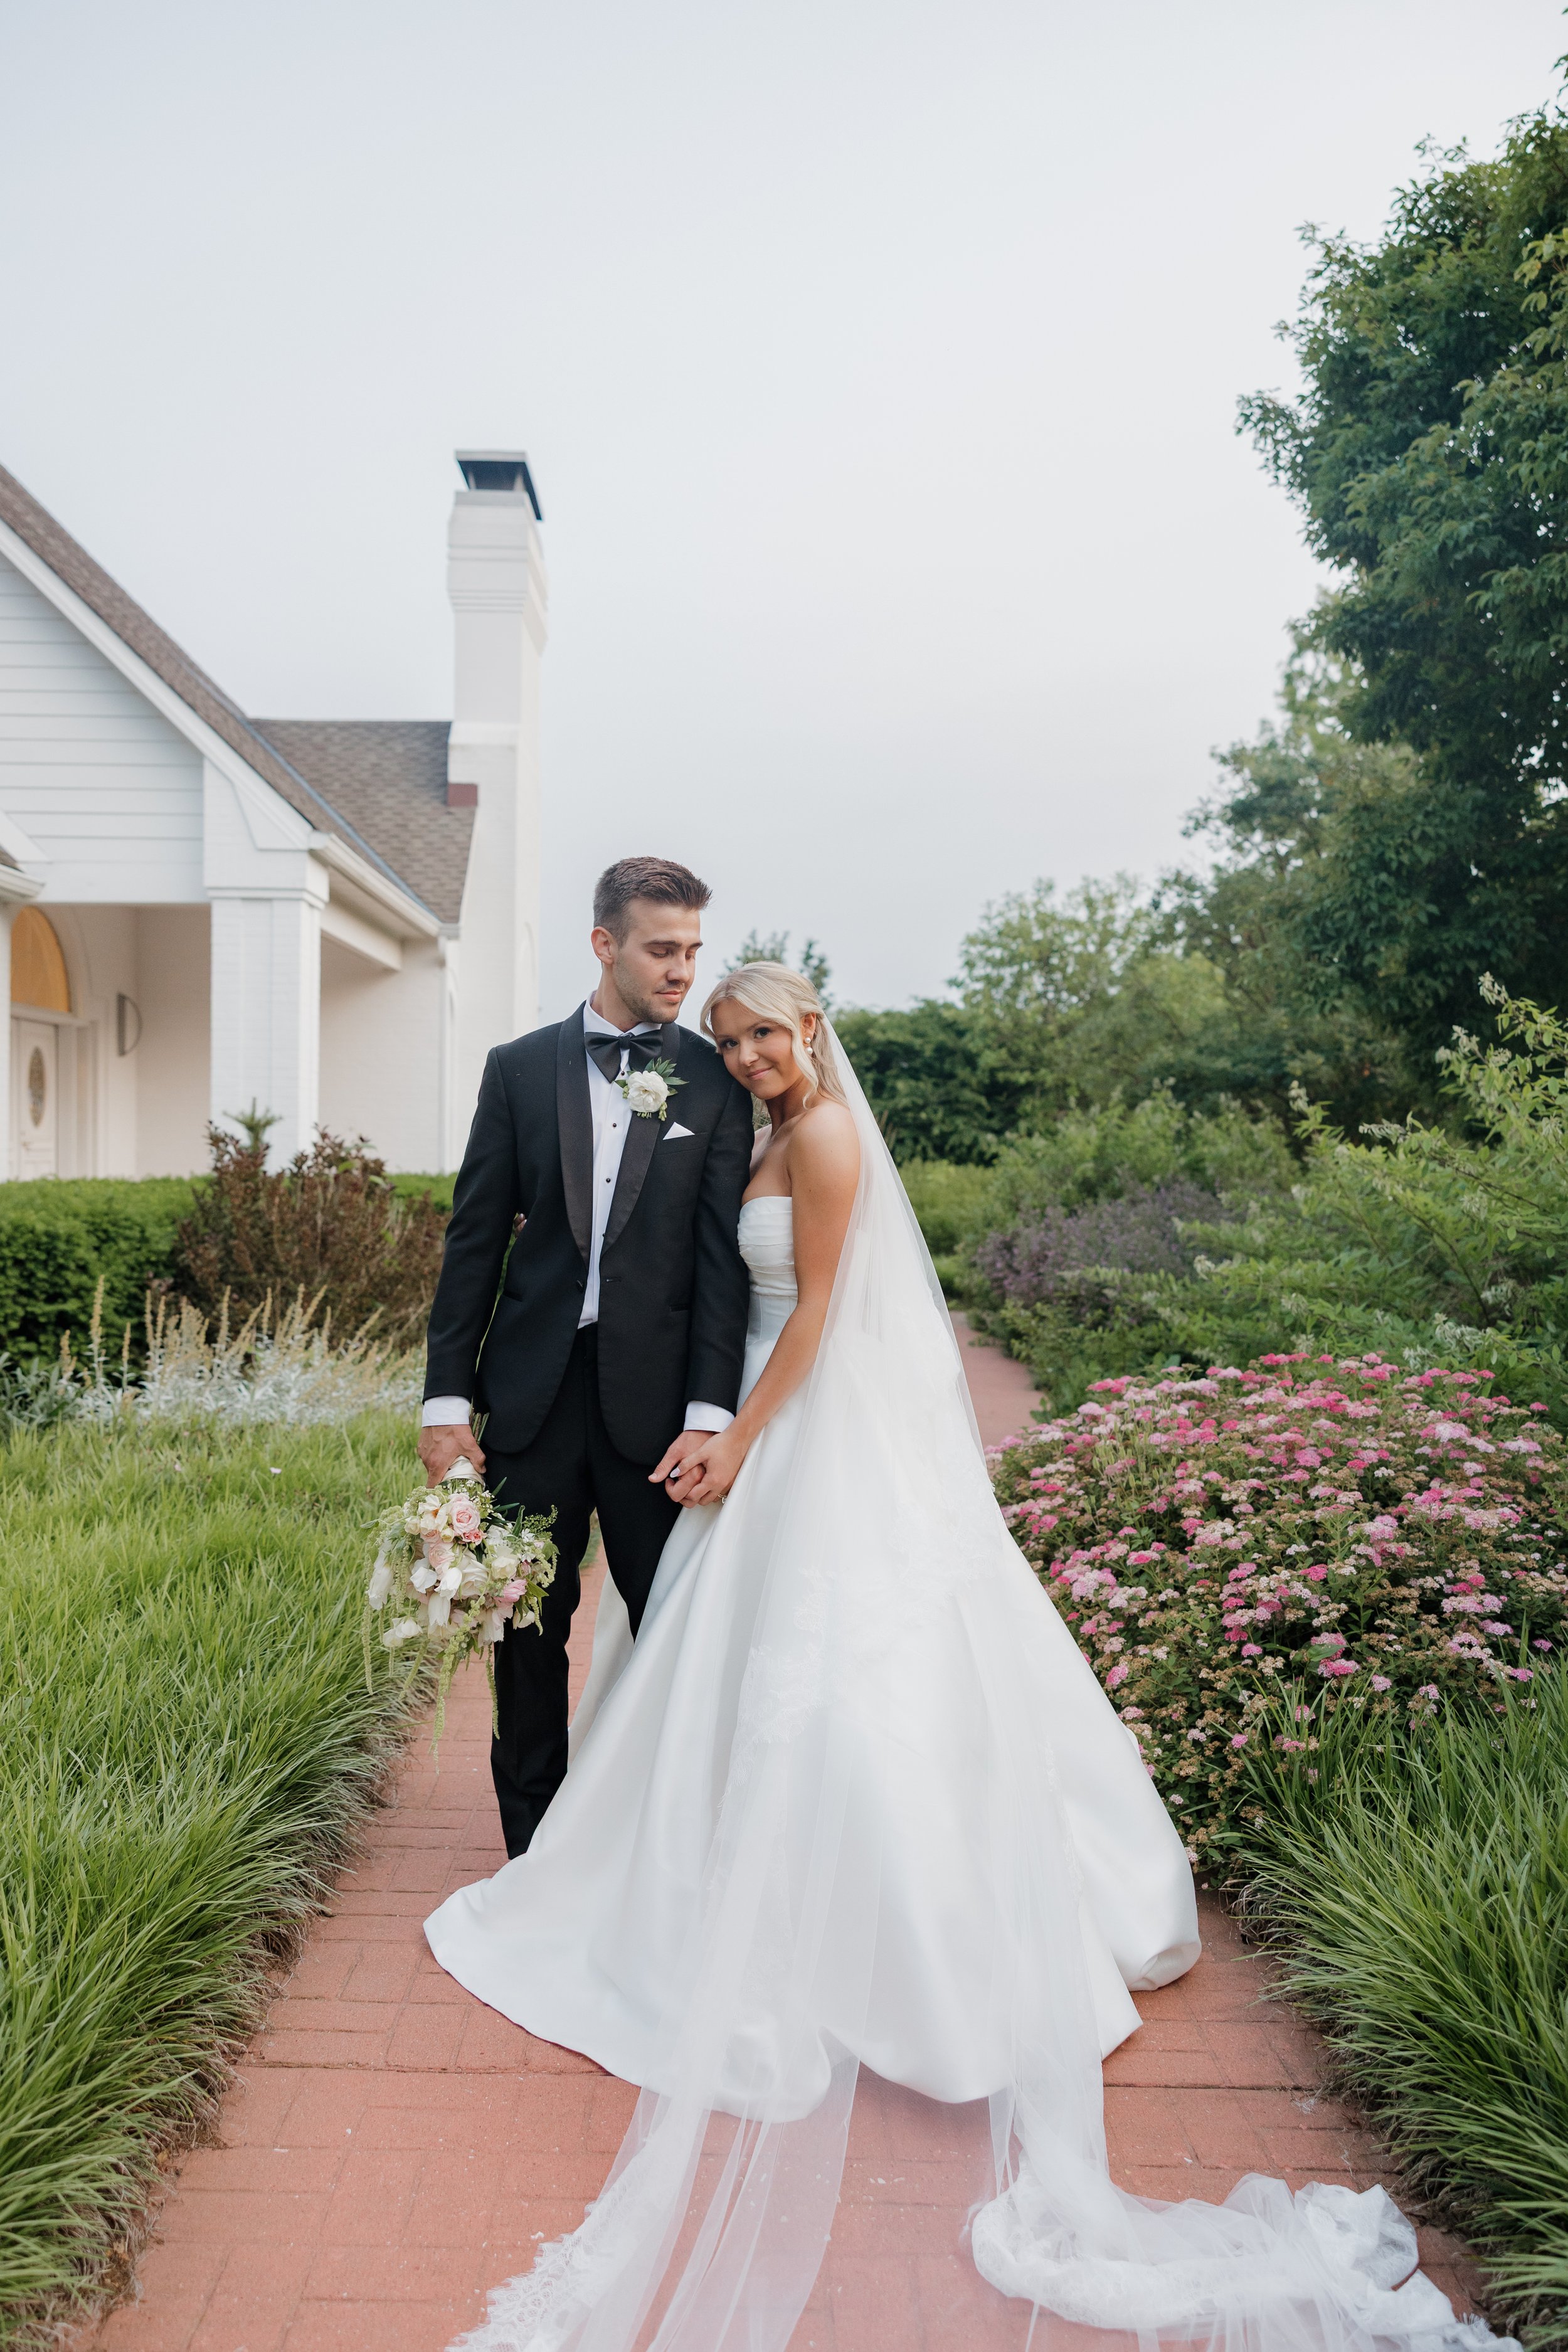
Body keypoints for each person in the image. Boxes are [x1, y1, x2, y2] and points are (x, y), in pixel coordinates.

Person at [425, 963, 1508, 2352]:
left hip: (806, 1427)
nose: (747, 1052)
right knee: (738, 1667)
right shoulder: (751, 1125)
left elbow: (810, 1312)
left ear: (811, 1028)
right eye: (729, 1037)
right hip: (763, 1419)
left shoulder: (818, 1136)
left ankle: (882, 1927)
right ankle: (735, 1868)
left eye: (765, 1031)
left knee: (847, 1674)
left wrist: (735, 1440)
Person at [418, 855, 753, 1858]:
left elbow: (722, 1267)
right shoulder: (518, 1068)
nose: (683, 970)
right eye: (662, 948)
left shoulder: (716, 1080)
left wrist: (711, 1414)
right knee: (525, 1633)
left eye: (693, 949)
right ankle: (536, 1854)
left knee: (676, 1635)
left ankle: (675, 1849)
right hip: (529, 1401)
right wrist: (444, 1402)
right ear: (605, 943)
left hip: (659, 1417)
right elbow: (474, 1239)